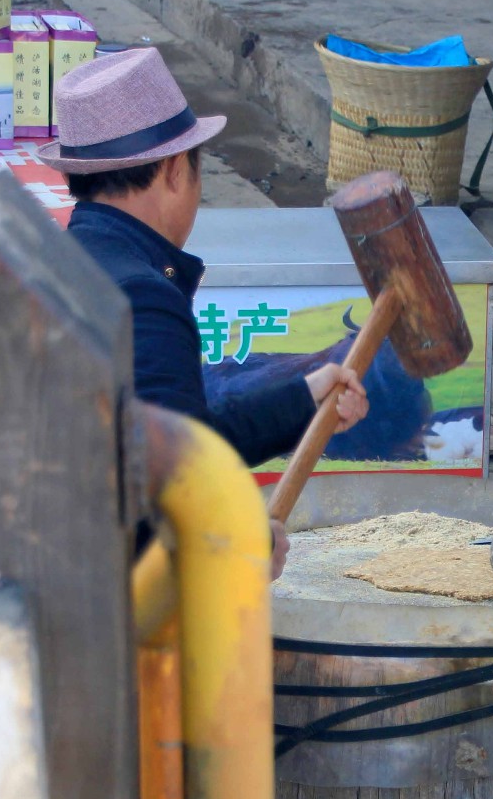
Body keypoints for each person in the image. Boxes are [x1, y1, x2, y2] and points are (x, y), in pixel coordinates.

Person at [44, 49, 367, 574]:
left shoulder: (63, 258)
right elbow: (170, 498)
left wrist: (304, 400)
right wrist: (242, 545)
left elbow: (180, 440)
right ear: (175, 171)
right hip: (104, 619)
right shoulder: (142, 300)